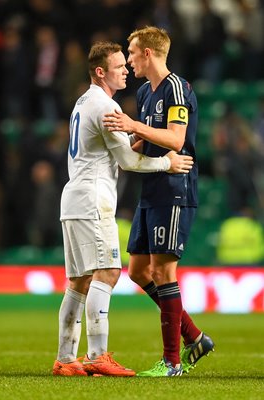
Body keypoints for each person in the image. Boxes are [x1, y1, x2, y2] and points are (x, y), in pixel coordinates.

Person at [53, 40, 194, 377]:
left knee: (78, 281)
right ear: (101, 72)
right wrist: (167, 164)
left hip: (73, 198)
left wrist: (137, 138)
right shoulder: (106, 107)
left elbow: (113, 150)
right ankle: (98, 355)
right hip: (94, 200)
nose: (126, 70)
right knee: (108, 273)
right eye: (119, 66)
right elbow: (128, 161)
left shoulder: (83, 101)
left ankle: (65, 358)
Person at [103, 26, 214, 377]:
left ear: (148, 53)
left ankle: (172, 362)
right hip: (151, 191)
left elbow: (176, 139)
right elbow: (147, 141)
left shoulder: (176, 88)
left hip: (174, 189)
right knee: (137, 271)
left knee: (164, 271)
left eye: (132, 53)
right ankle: (194, 335)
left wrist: (134, 126)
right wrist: (117, 152)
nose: (129, 60)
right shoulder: (145, 93)